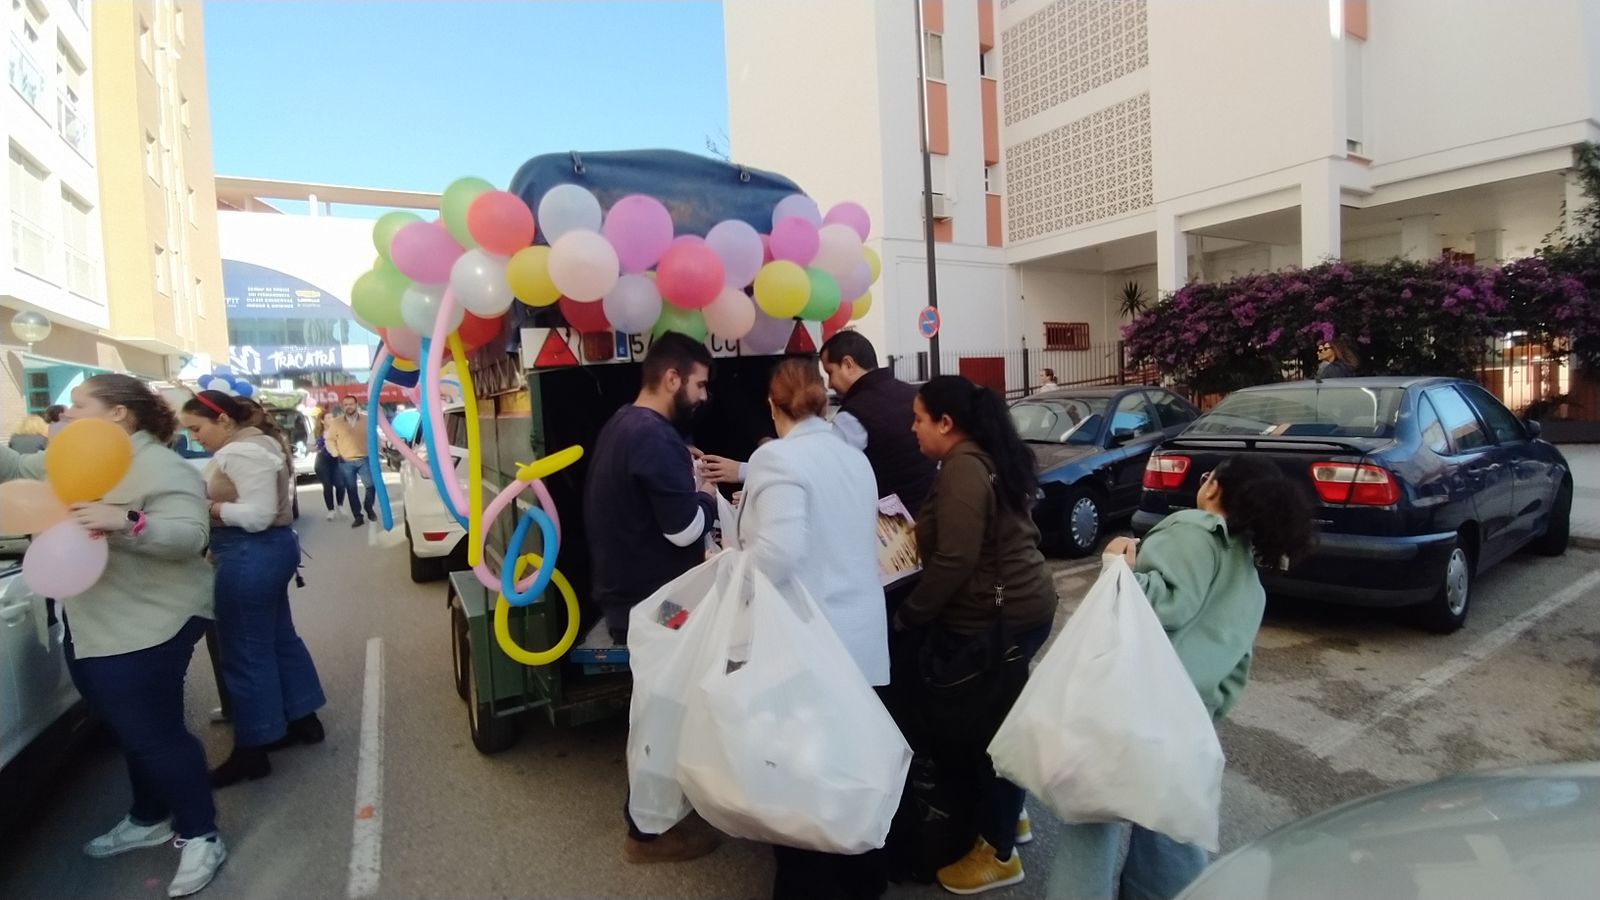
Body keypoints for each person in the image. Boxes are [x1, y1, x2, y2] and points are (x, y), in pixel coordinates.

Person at [1050, 456, 1314, 900]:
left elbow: (1161, 604)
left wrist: (1117, 563)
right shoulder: (1248, 571)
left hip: (1134, 709)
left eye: (1208, 476)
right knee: (1170, 839)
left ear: (1213, 489)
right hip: (1191, 718)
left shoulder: (1193, 530)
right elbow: (1236, 667)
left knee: (1092, 828)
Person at [55, 374, 227, 897]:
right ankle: (148, 815)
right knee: (129, 728)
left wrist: (125, 521)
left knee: (154, 734)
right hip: (92, 620)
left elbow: (190, 535)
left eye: (79, 404)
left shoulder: (158, 464)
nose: (65, 412)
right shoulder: (74, 457)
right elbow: (18, 471)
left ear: (118, 414)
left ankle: (201, 834)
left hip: (150, 621)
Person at [728, 358, 888, 900]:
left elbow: (779, 553)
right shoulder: (853, 459)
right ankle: (864, 882)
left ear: (774, 409)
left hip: (807, 643)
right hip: (861, 639)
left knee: (801, 782)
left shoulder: (775, 457)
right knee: (848, 770)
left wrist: (733, 570)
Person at [895, 376, 1058, 895]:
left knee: (988, 732)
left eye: (919, 418)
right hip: (1018, 608)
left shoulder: (965, 465)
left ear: (947, 423)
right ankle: (1009, 817)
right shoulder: (978, 456)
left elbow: (956, 559)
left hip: (1000, 617)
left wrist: (911, 615)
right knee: (998, 720)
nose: (912, 427)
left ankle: (998, 850)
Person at [585, 332, 721, 865]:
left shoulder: (626, 424)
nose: (706, 395)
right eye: (700, 383)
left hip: (629, 597)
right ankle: (648, 834)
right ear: (672, 379)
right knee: (663, 713)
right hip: (655, 603)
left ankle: (657, 821)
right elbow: (684, 530)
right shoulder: (654, 438)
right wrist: (707, 497)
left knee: (659, 708)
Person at [180, 391, 326, 788]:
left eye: (197, 428)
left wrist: (211, 509)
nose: (195, 438)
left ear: (224, 419)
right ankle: (302, 718)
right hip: (270, 553)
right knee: (279, 639)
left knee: (245, 653)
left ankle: (254, 746)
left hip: (247, 554)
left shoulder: (239, 453)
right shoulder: (260, 443)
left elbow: (258, 516)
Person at [699, 331, 937, 518]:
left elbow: (815, 465)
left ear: (848, 364)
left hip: (891, 523)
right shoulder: (910, 393)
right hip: (923, 510)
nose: (831, 383)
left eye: (830, 372)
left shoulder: (857, 413)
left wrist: (741, 471)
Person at [324, 395, 377, 527]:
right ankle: (358, 516)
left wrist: (377, 452)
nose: (349, 407)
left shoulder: (366, 419)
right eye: (346, 404)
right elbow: (329, 440)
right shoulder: (336, 422)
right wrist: (336, 453)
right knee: (351, 489)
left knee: (371, 486)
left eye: (351, 404)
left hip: (364, 459)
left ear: (356, 404)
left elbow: (374, 436)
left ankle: (368, 507)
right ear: (343, 406)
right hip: (345, 461)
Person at [313, 404, 346, 520]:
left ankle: (340, 505)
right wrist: (316, 447)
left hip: (336, 459)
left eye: (332, 417)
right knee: (327, 485)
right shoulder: (316, 433)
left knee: (340, 484)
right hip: (323, 461)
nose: (331, 420)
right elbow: (310, 447)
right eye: (328, 418)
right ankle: (331, 510)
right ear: (322, 421)